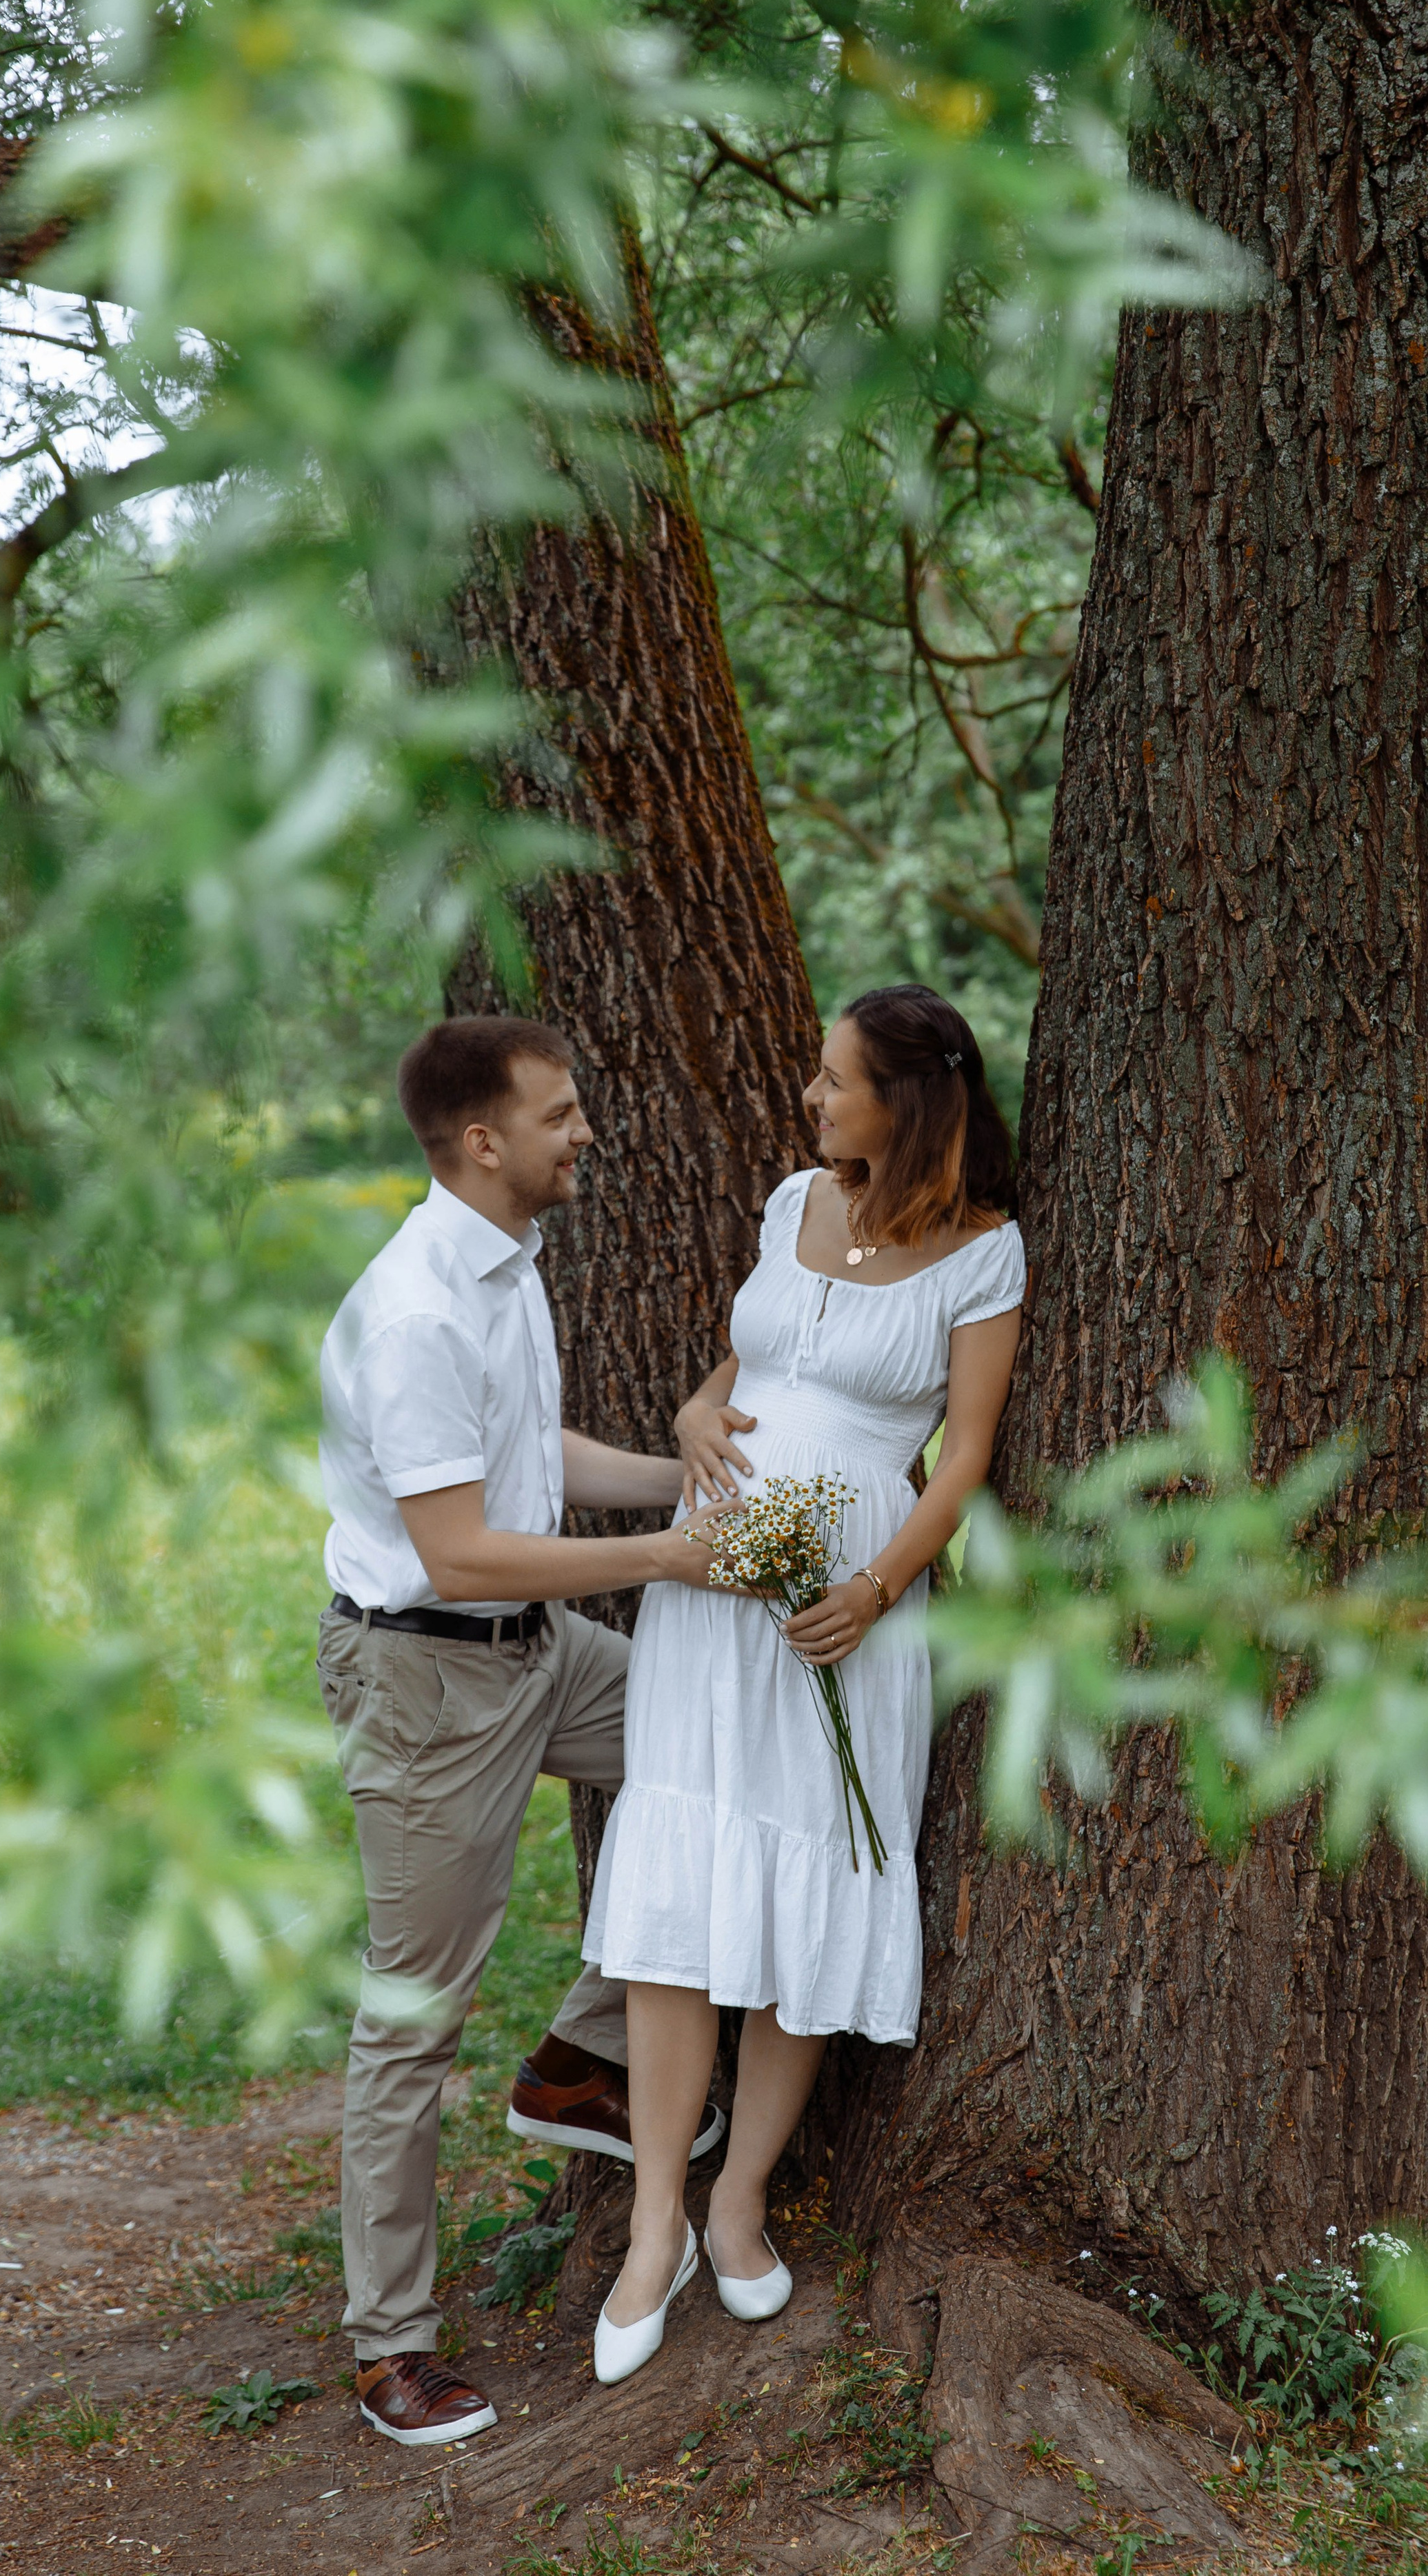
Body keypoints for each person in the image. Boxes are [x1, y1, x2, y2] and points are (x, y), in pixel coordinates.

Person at [581, 984, 1026, 2382]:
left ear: (911, 1102)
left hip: (843, 1613)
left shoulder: (983, 1252)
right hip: (708, 1589)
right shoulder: (793, 1202)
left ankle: (738, 2200)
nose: (813, 1099)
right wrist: (692, 1409)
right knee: (679, 1895)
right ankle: (651, 2225)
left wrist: (873, 1590)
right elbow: (748, 1362)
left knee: (809, 1884)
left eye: (837, 1081)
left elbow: (961, 1456)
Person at [316, 1014, 731, 2448]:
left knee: (726, 1756)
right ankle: (390, 2347)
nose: (586, 1133)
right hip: (428, 1681)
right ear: (485, 1141)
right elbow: (459, 1552)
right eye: (561, 1116)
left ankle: (577, 2060)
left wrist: (686, 1482)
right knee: (412, 2016)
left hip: (537, 1651)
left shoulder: (508, 1257)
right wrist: (669, 1559)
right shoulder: (416, 1311)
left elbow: (522, 1458)